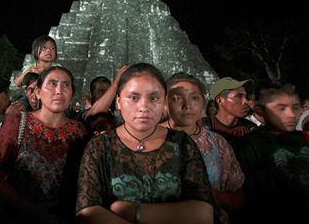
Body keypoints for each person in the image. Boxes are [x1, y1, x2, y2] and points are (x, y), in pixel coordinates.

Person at [76, 63, 215, 223]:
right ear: (119, 102)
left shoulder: (182, 144)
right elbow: (87, 210)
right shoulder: (100, 146)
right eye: (134, 98)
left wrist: (134, 212)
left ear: (164, 102)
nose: (143, 107)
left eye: (153, 98)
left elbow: (203, 213)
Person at [0, 66, 88, 223]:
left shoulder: (79, 131)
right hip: (18, 216)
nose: (59, 91)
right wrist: (28, 207)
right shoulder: (18, 123)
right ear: (38, 92)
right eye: (52, 84)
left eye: (66, 85)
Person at [165, 72, 245, 223]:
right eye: (176, 98)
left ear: (203, 102)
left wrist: (216, 197)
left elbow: (238, 195)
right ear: (164, 102)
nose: (187, 105)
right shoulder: (148, 139)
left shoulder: (217, 143)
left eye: (194, 98)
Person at [236, 83, 309, 223]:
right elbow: (250, 195)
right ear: (260, 110)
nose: (291, 114)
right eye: (281, 108)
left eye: (295, 107)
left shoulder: (305, 138)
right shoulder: (249, 144)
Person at [202, 77, 257, 148]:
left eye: (245, 97)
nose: (246, 101)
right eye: (239, 96)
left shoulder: (251, 129)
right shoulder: (201, 127)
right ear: (220, 100)